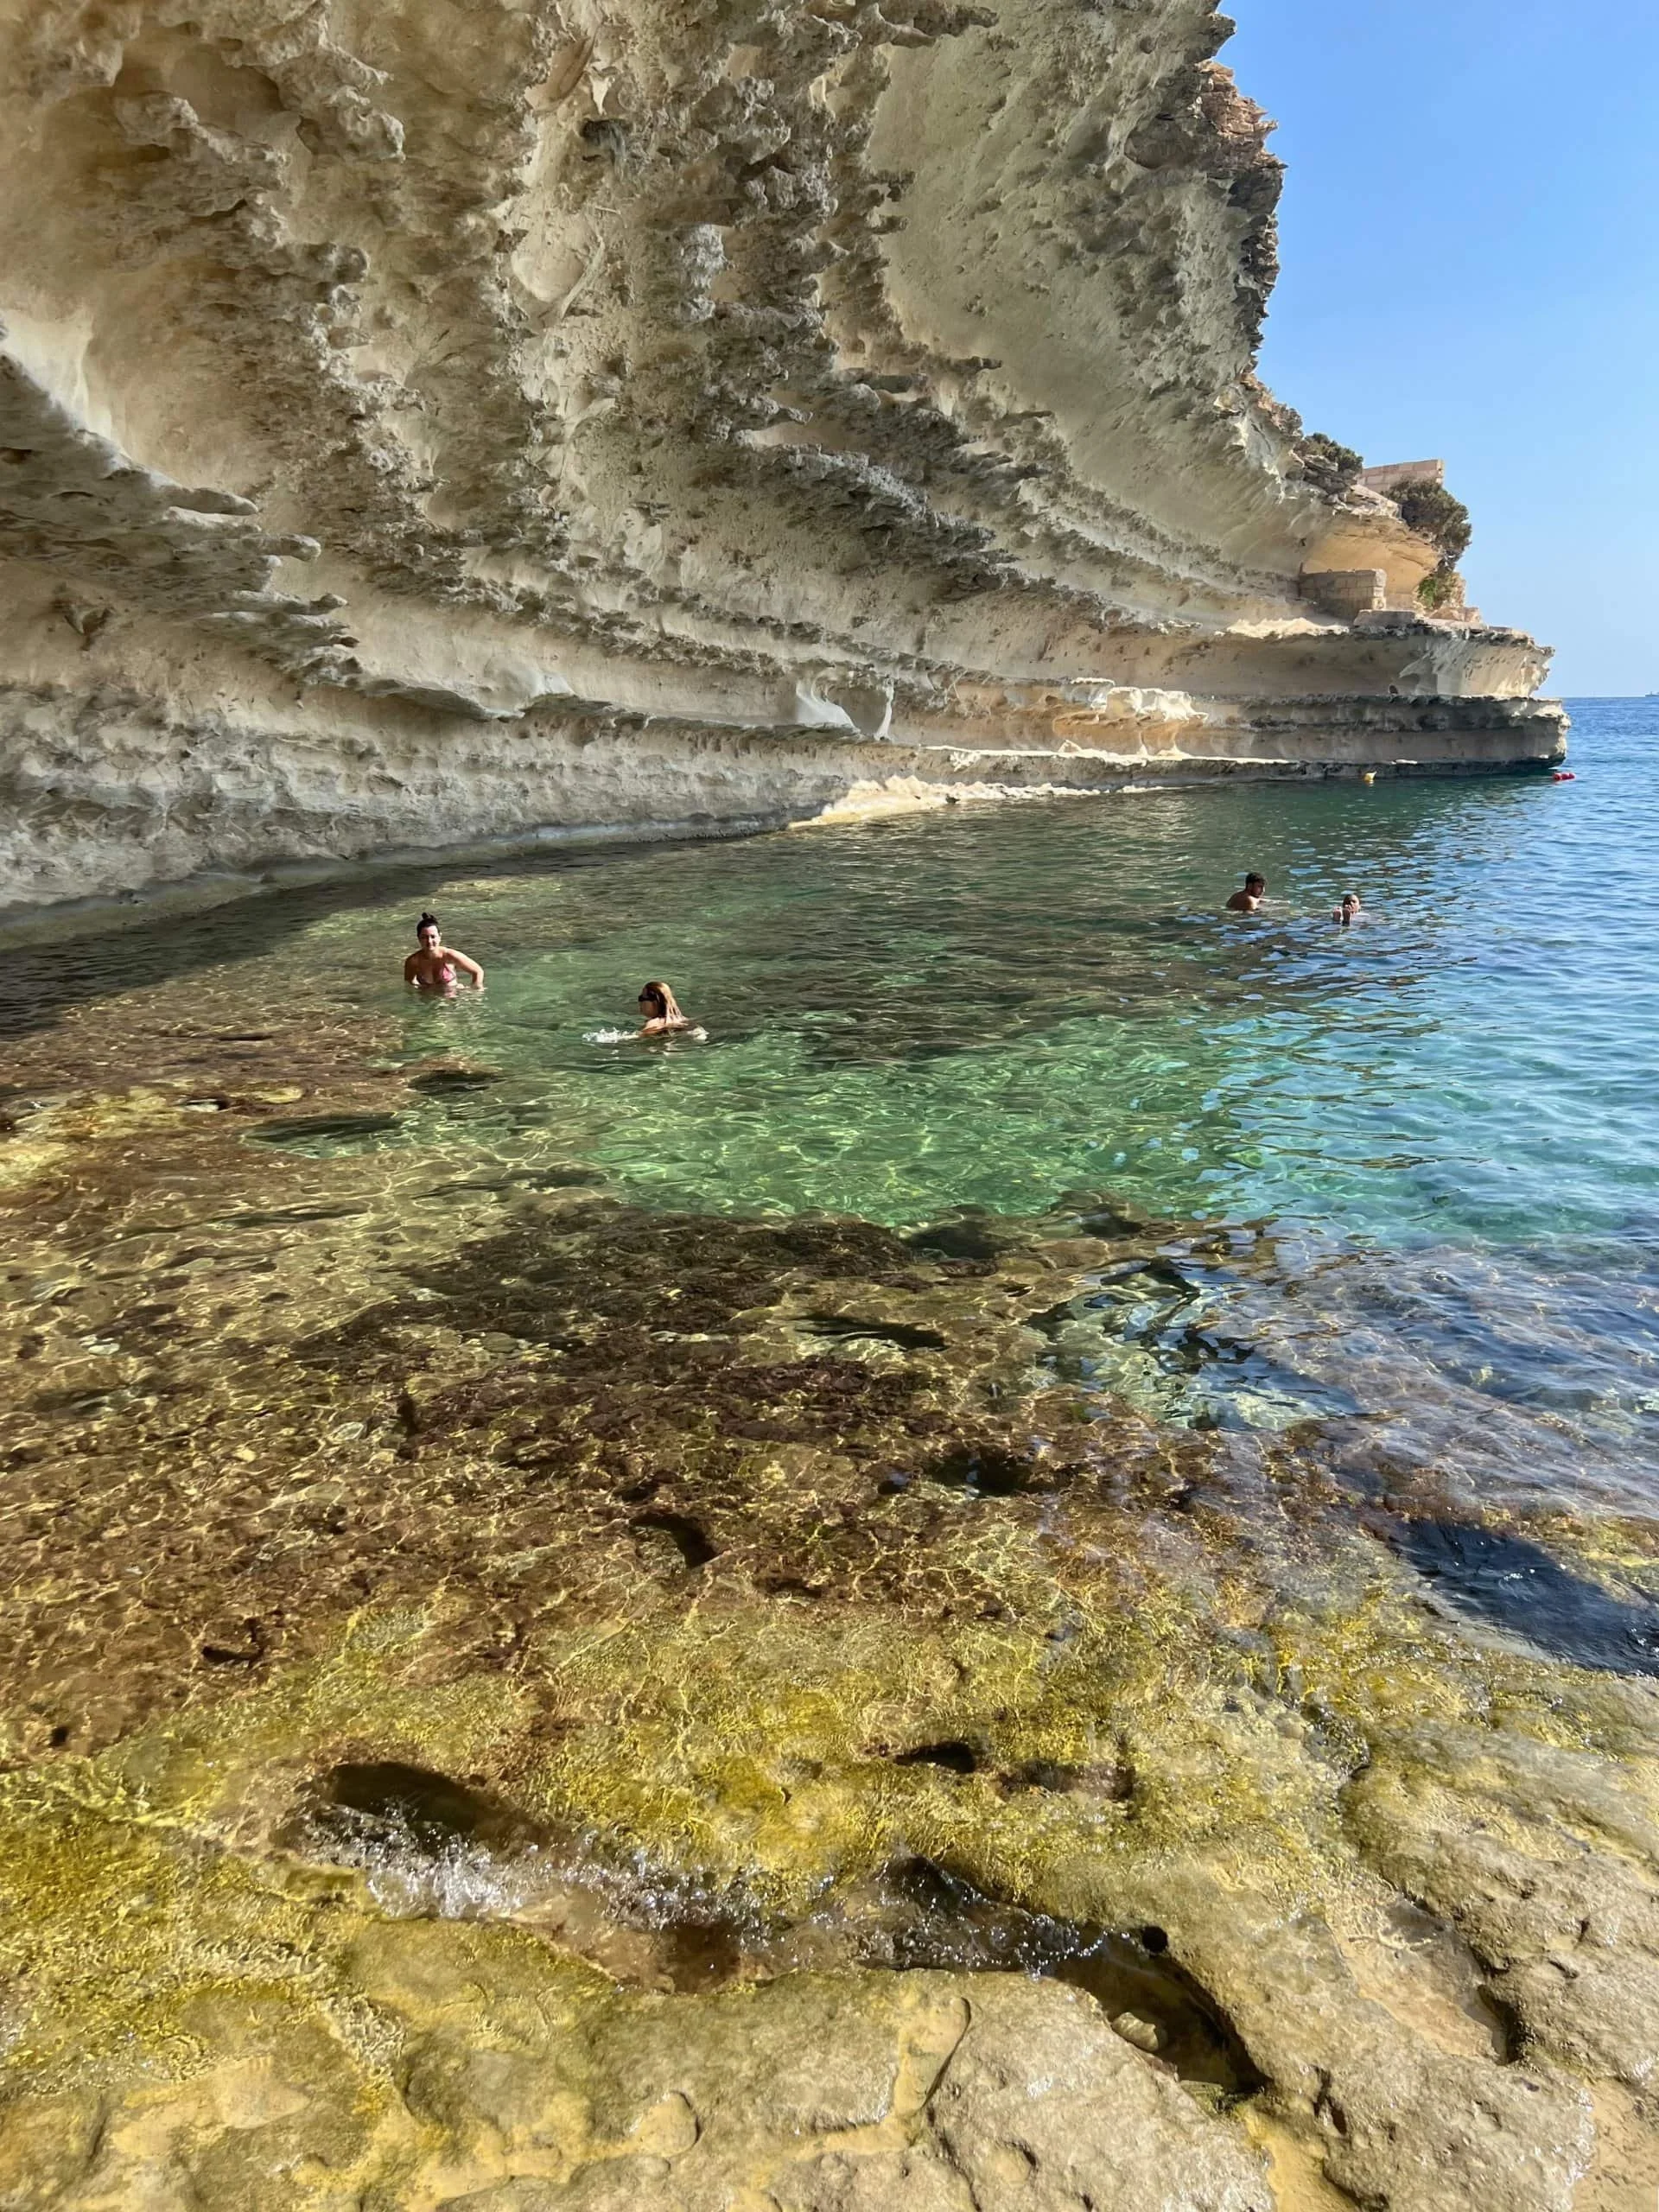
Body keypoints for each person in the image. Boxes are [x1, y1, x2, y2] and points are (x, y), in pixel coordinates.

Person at [404, 912, 484, 994]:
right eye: (424, 937)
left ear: (440, 937)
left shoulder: (449, 956)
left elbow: (478, 971)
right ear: (419, 938)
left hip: (453, 1001)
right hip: (428, 1002)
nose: (429, 941)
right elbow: (409, 984)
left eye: (433, 936)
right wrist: (421, 991)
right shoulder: (413, 961)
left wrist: (474, 991)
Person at [634, 981, 700, 1037]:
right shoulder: (684, 1020)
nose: (640, 1002)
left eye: (641, 998)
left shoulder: (653, 1024)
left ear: (655, 1002)